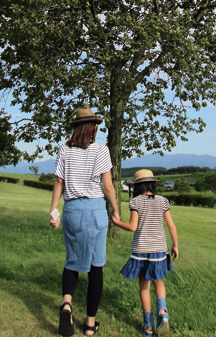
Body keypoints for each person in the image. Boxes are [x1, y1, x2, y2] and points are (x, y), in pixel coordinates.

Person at [49, 108, 121, 336]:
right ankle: (90, 324)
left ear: (76, 127)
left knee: (72, 261)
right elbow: (108, 186)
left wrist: (53, 210)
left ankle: (67, 304)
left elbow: (59, 182)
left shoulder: (64, 149)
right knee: (95, 266)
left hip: (71, 209)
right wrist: (116, 210)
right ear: (93, 127)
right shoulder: (101, 150)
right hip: (95, 209)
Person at [112, 169, 179, 337]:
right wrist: (175, 245)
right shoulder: (163, 201)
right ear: (152, 184)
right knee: (159, 282)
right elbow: (171, 225)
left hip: (141, 251)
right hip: (159, 250)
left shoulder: (136, 202)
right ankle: (163, 312)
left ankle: (148, 325)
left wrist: (117, 223)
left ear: (137, 187)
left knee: (144, 287)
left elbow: (133, 227)